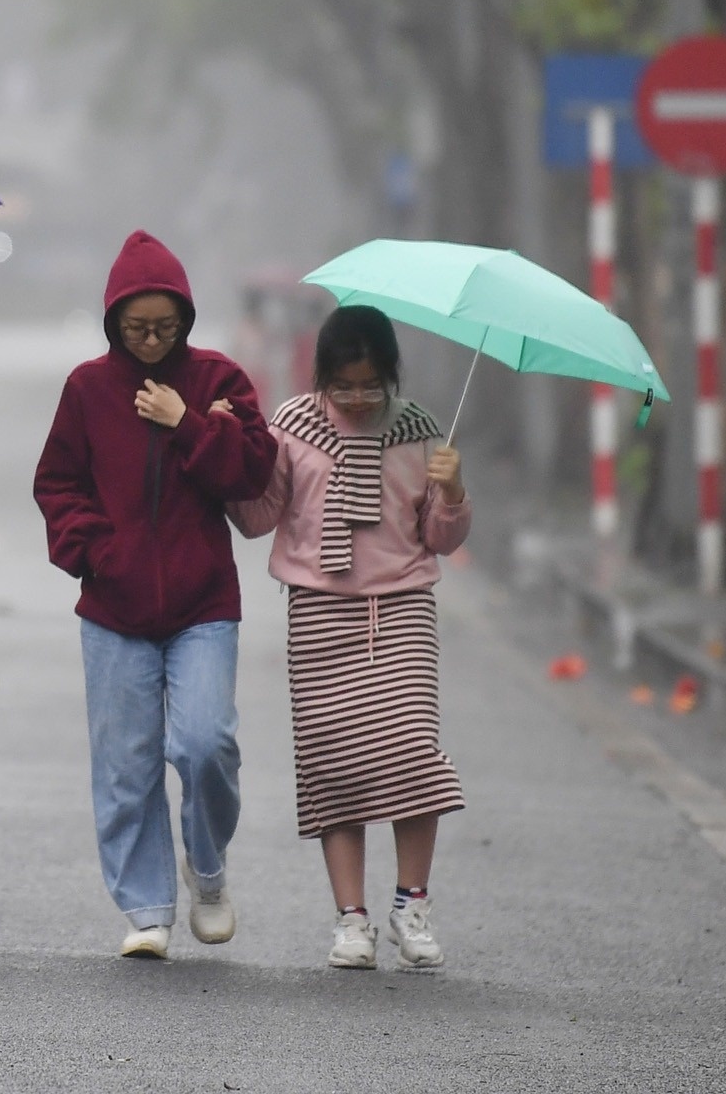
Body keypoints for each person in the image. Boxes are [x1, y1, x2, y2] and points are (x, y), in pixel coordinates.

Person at [34, 230, 278, 960]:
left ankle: (207, 870)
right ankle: (145, 906)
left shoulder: (218, 380)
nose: (148, 341)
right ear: (113, 321)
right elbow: (57, 485)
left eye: (163, 328)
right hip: (114, 609)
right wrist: (95, 553)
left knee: (206, 745)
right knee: (125, 765)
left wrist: (189, 423)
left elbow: (252, 473)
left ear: (185, 320)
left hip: (204, 605)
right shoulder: (86, 389)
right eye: (135, 328)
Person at [226, 304, 470, 972]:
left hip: (402, 611)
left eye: (371, 385)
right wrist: (226, 462)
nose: (359, 399)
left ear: (390, 376)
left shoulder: (420, 432)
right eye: (345, 385)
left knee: (414, 755)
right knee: (335, 765)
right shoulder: (293, 427)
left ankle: (411, 904)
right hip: (319, 614)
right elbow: (260, 514)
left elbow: (439, 539)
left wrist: (452, 491)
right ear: (322, 376)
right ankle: (351, 919)